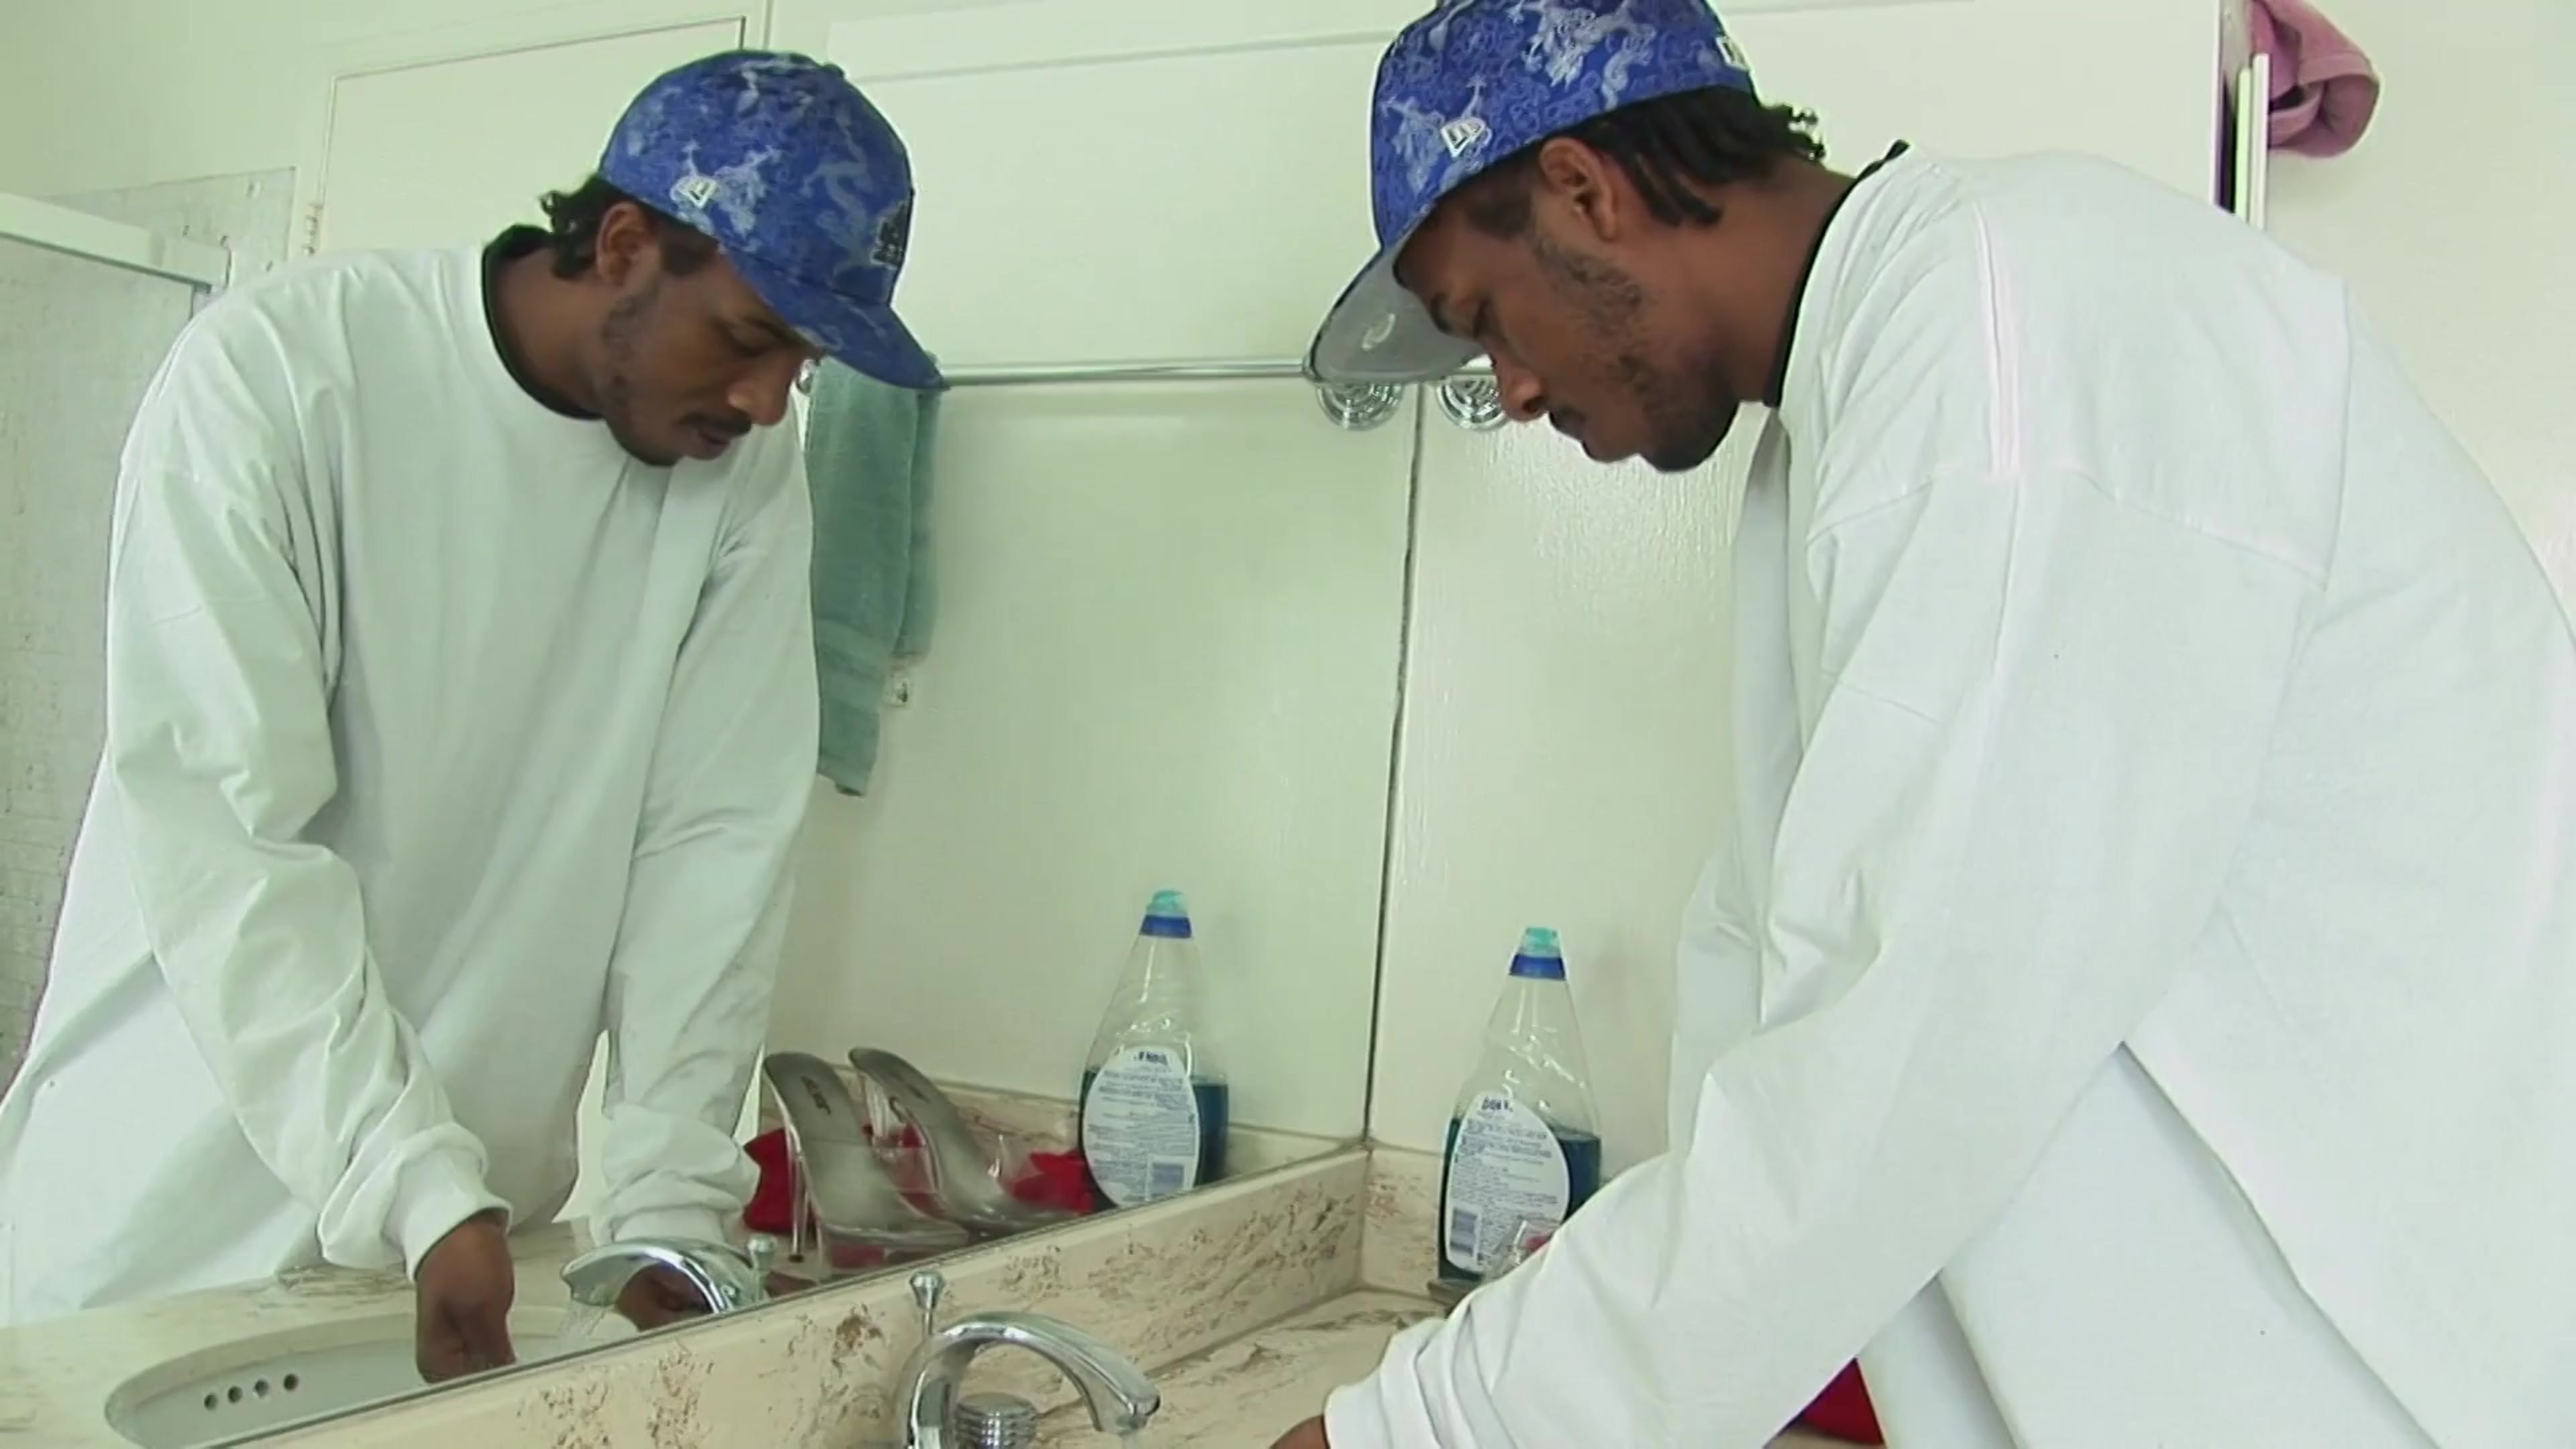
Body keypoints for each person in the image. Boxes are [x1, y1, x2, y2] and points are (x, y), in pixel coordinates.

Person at [1277, 2, 2576, 1446]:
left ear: (1585, 191)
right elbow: (1781, 1014)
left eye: (1485, 320)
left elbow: (1890, 1067)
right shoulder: (1867, 404)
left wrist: (1420, 1427)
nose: (1513, 390)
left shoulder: (2009, 340)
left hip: (2372, 1389)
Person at [0, 50, 941, 1383]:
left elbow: (712, 851)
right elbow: (230, 838)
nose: (764, 397)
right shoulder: (283, 376)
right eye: (747, 339)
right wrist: (412, 1179)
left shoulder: (737, 477)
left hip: (468, 1251)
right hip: (161, 1239)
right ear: (623, 245)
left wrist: (670, 1210)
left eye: (802, 361)